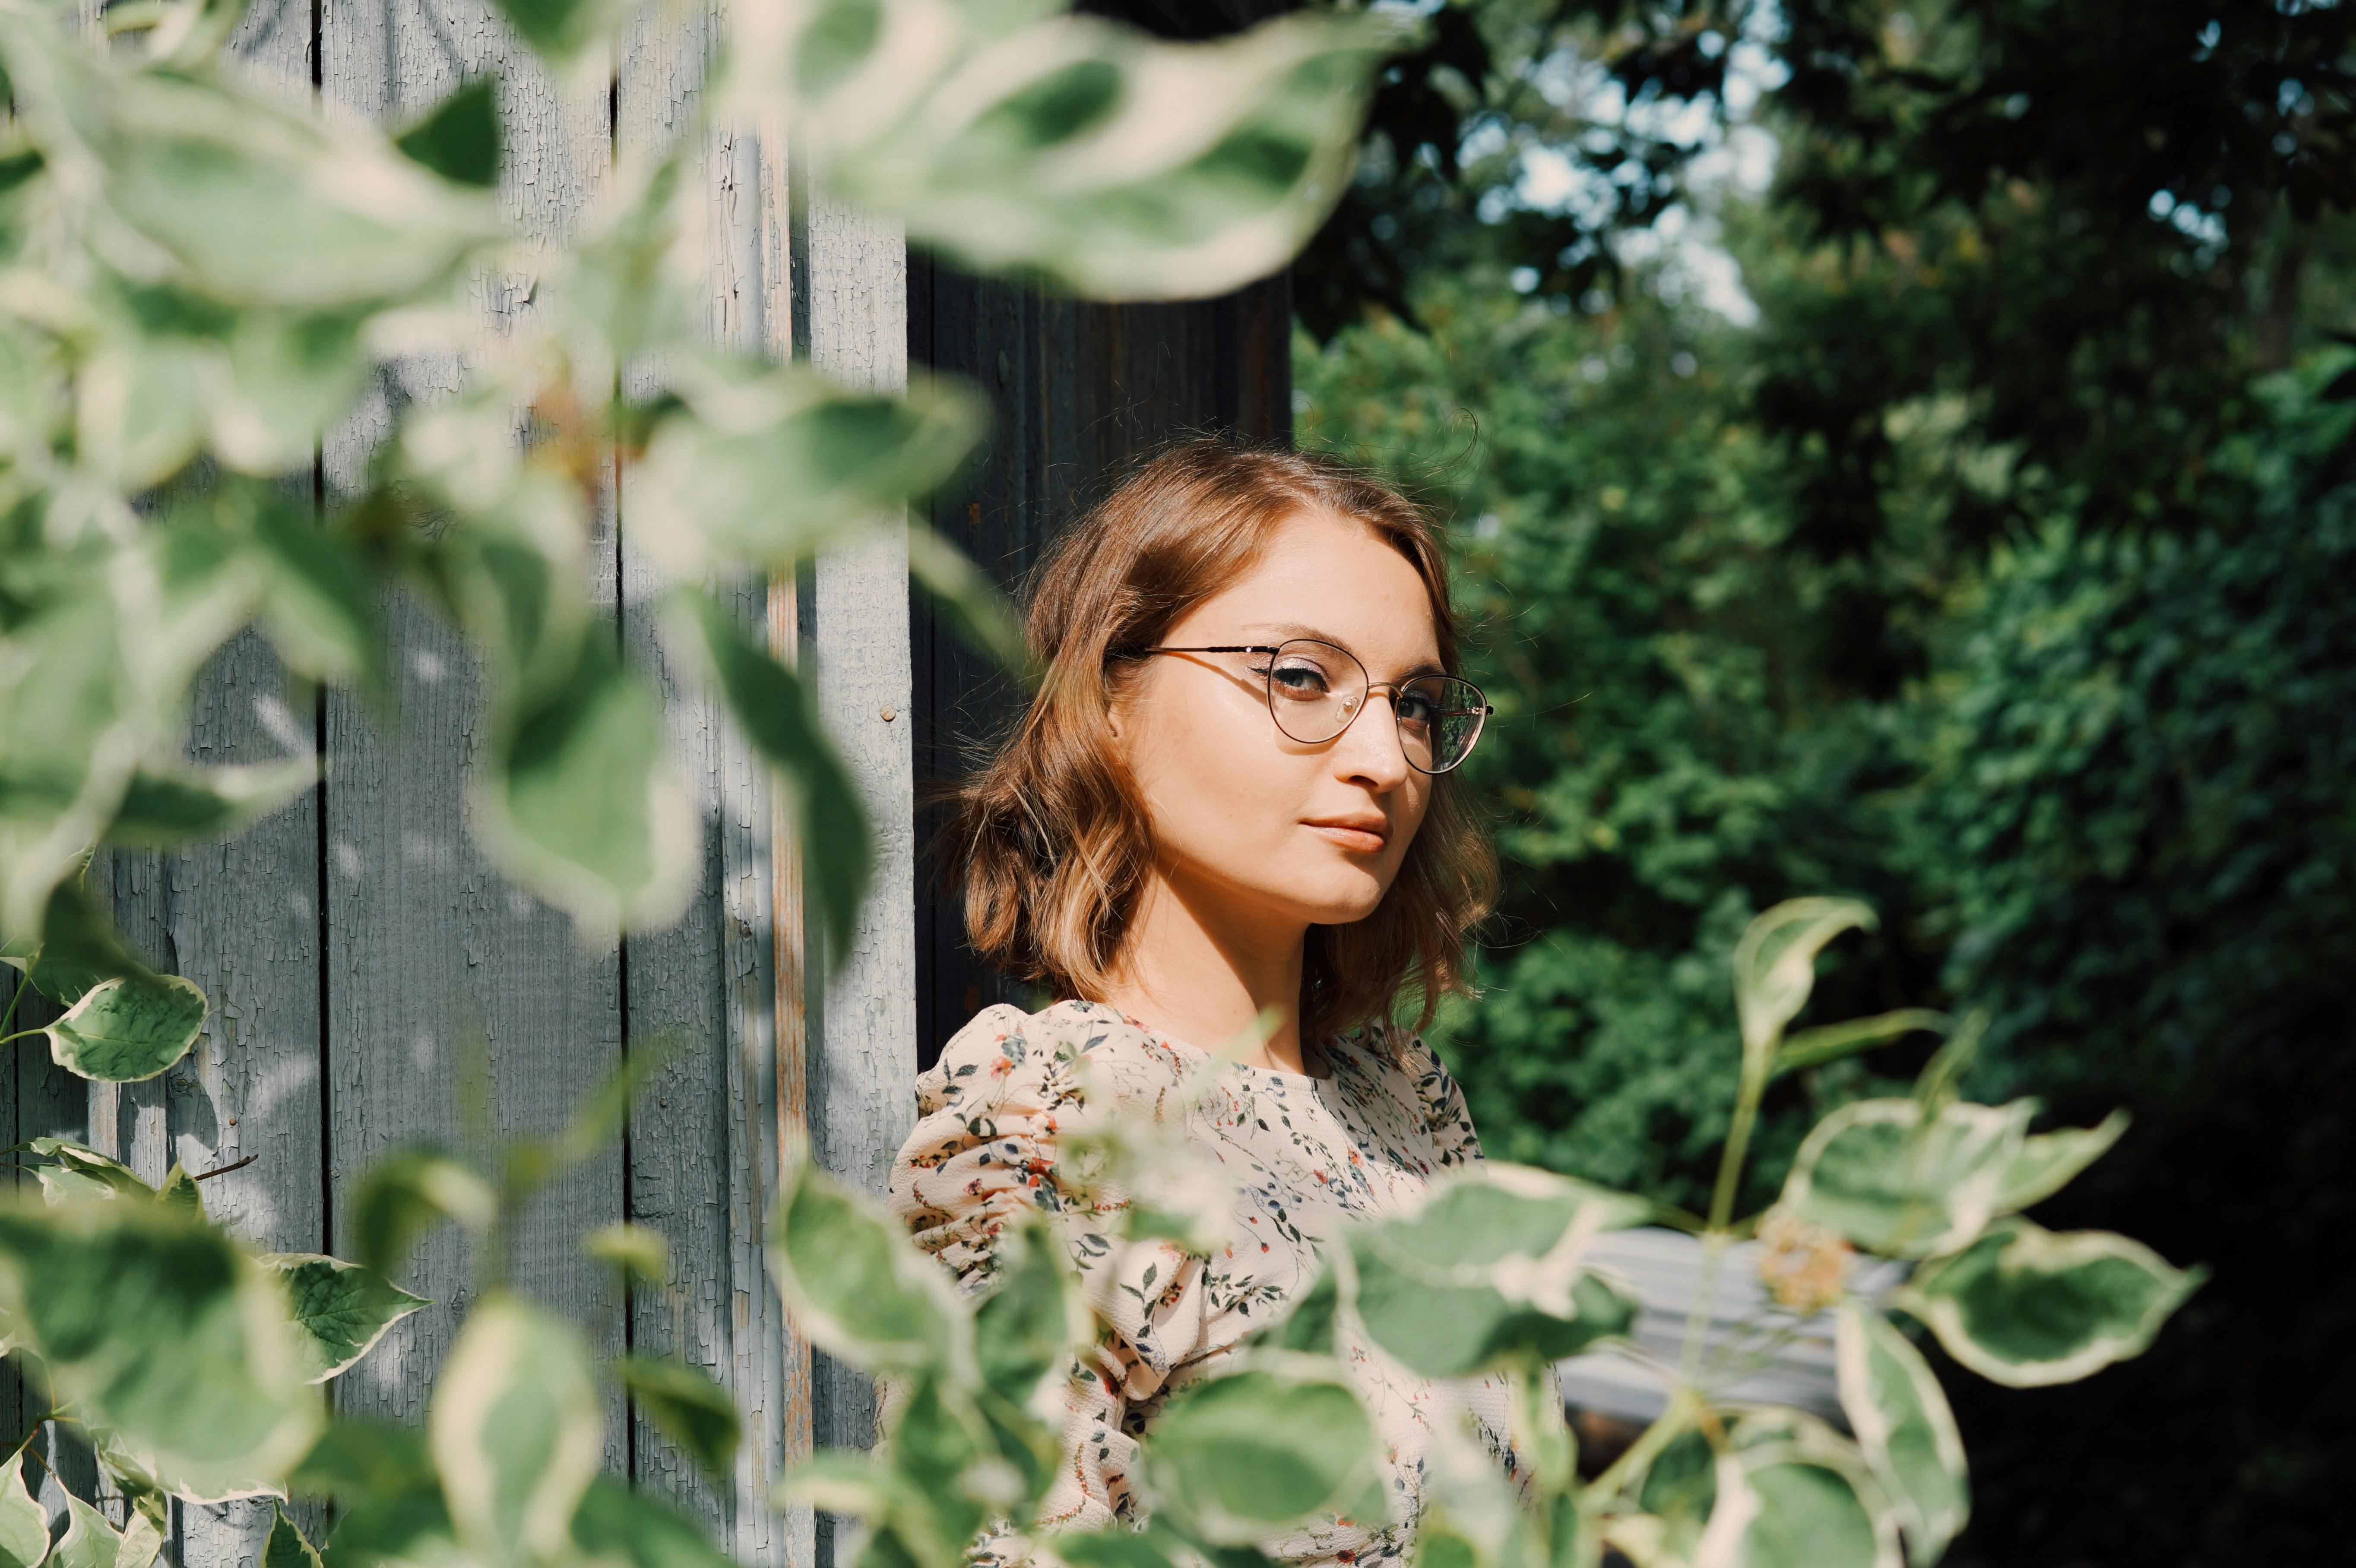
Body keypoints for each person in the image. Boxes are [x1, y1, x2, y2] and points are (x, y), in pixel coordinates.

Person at [889, 440, 1508, 1568]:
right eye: (1302, 678)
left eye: (1416, 703)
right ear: (1110, 697)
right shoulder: (1049, 1119)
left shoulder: (1409, 1103)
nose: (1385, 757)